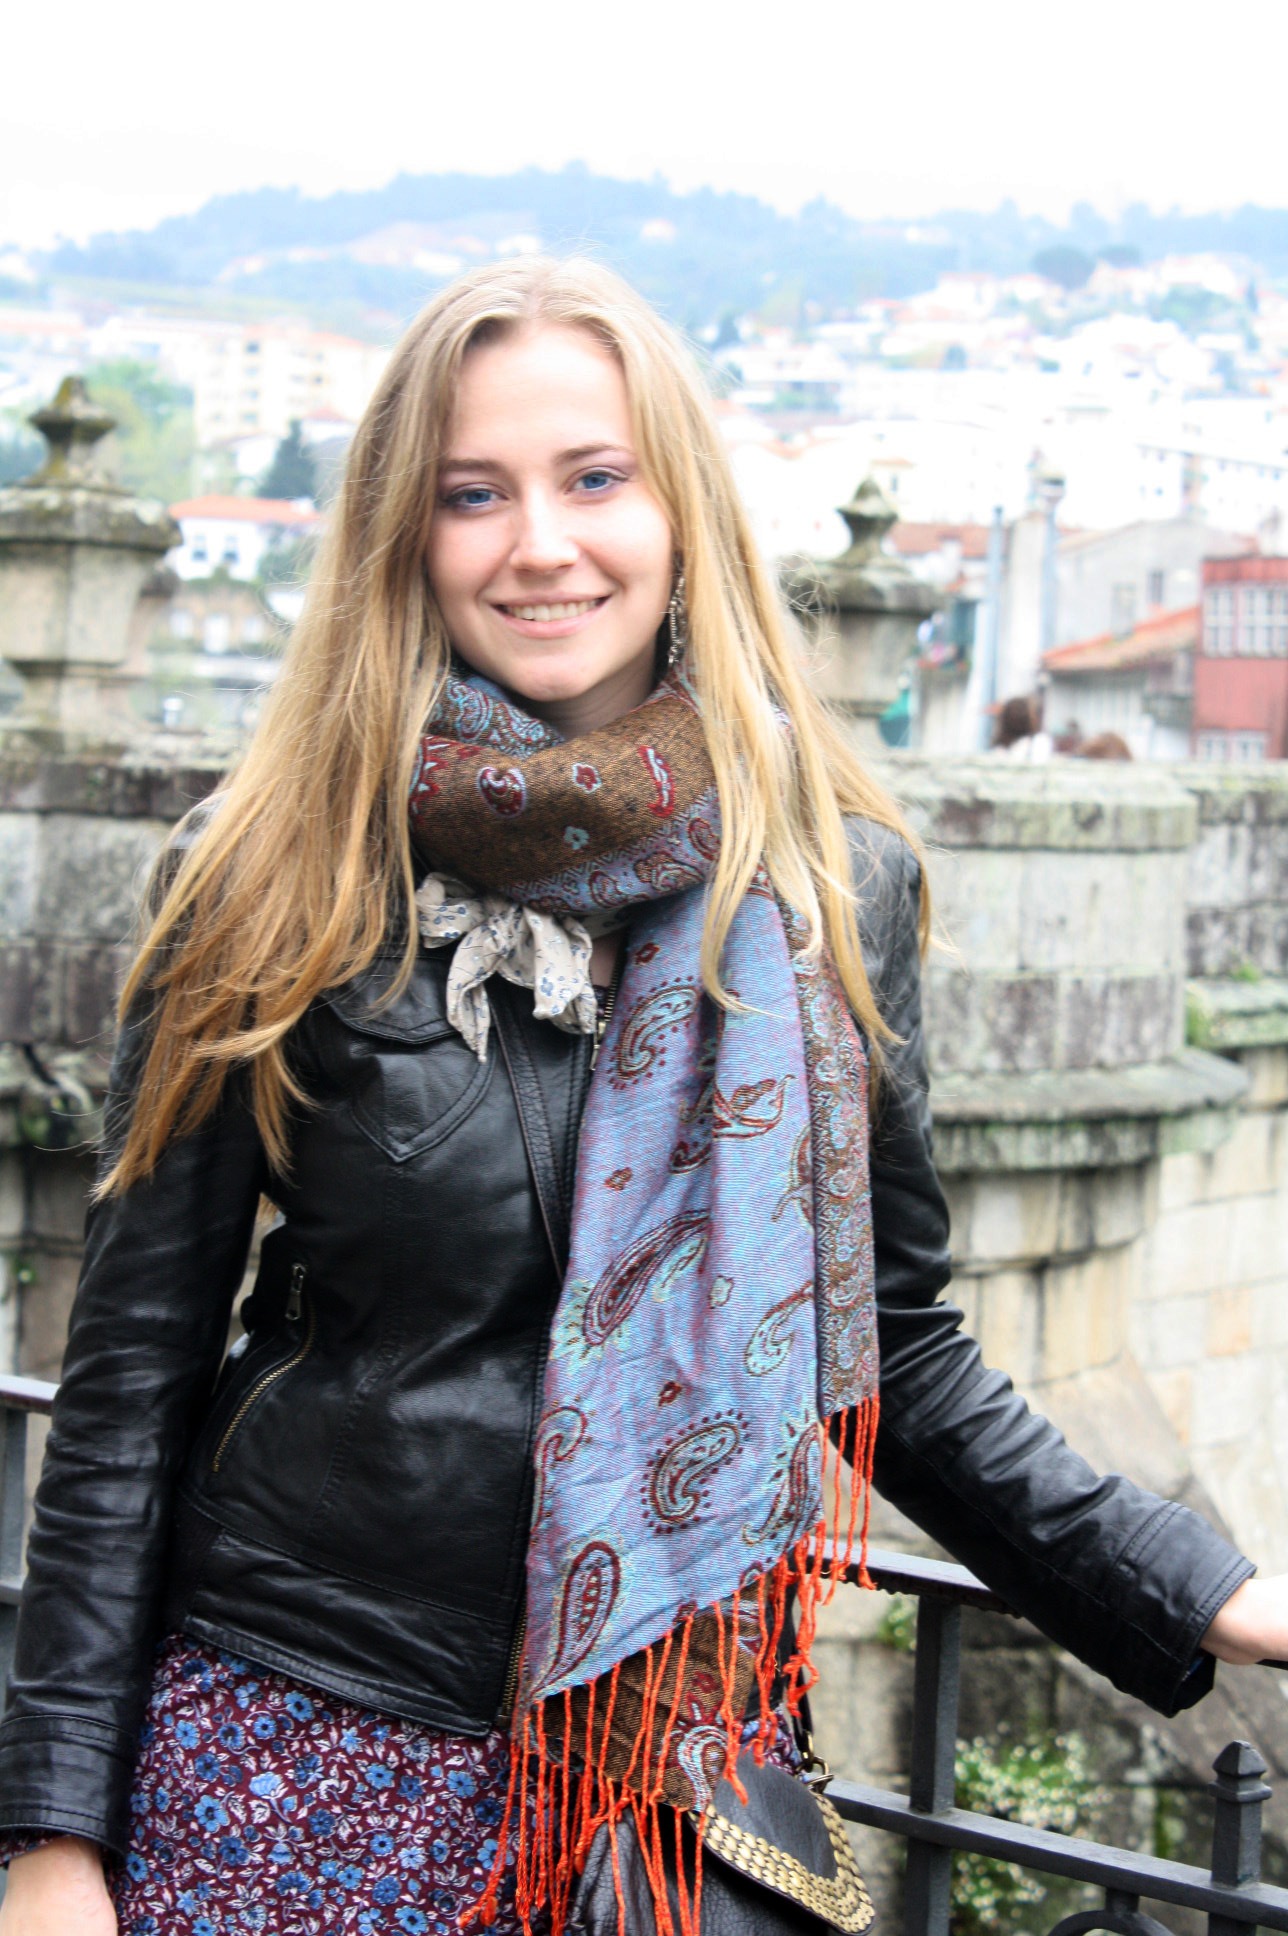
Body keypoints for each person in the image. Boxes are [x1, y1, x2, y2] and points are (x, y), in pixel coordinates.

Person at [0, 258, 1283, 1936]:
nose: (541, 542)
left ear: (680, 509)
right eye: (473, 493)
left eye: (594, 477)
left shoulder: (828, 885)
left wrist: (1202, 1588)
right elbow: (125, 1384)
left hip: (655, 1787)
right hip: (297, 1749)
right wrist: (52, 1838)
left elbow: (884, 1345)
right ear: (403, 534)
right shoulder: (268, 874)